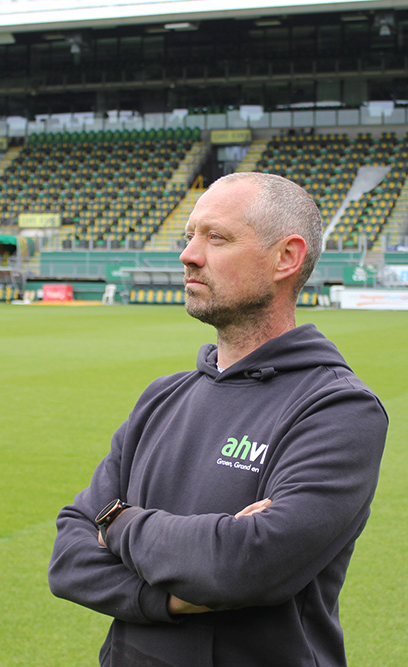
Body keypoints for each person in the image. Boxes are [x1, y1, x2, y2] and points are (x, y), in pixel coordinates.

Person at [49, 171, 388, 666]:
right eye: (189, 236)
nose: (188, 255)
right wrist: (166, 597)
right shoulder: (162, 397)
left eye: (216, 237)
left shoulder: (338, 408)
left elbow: (245, 565)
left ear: (286, 258)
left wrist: (118, 524)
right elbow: (69, 558)